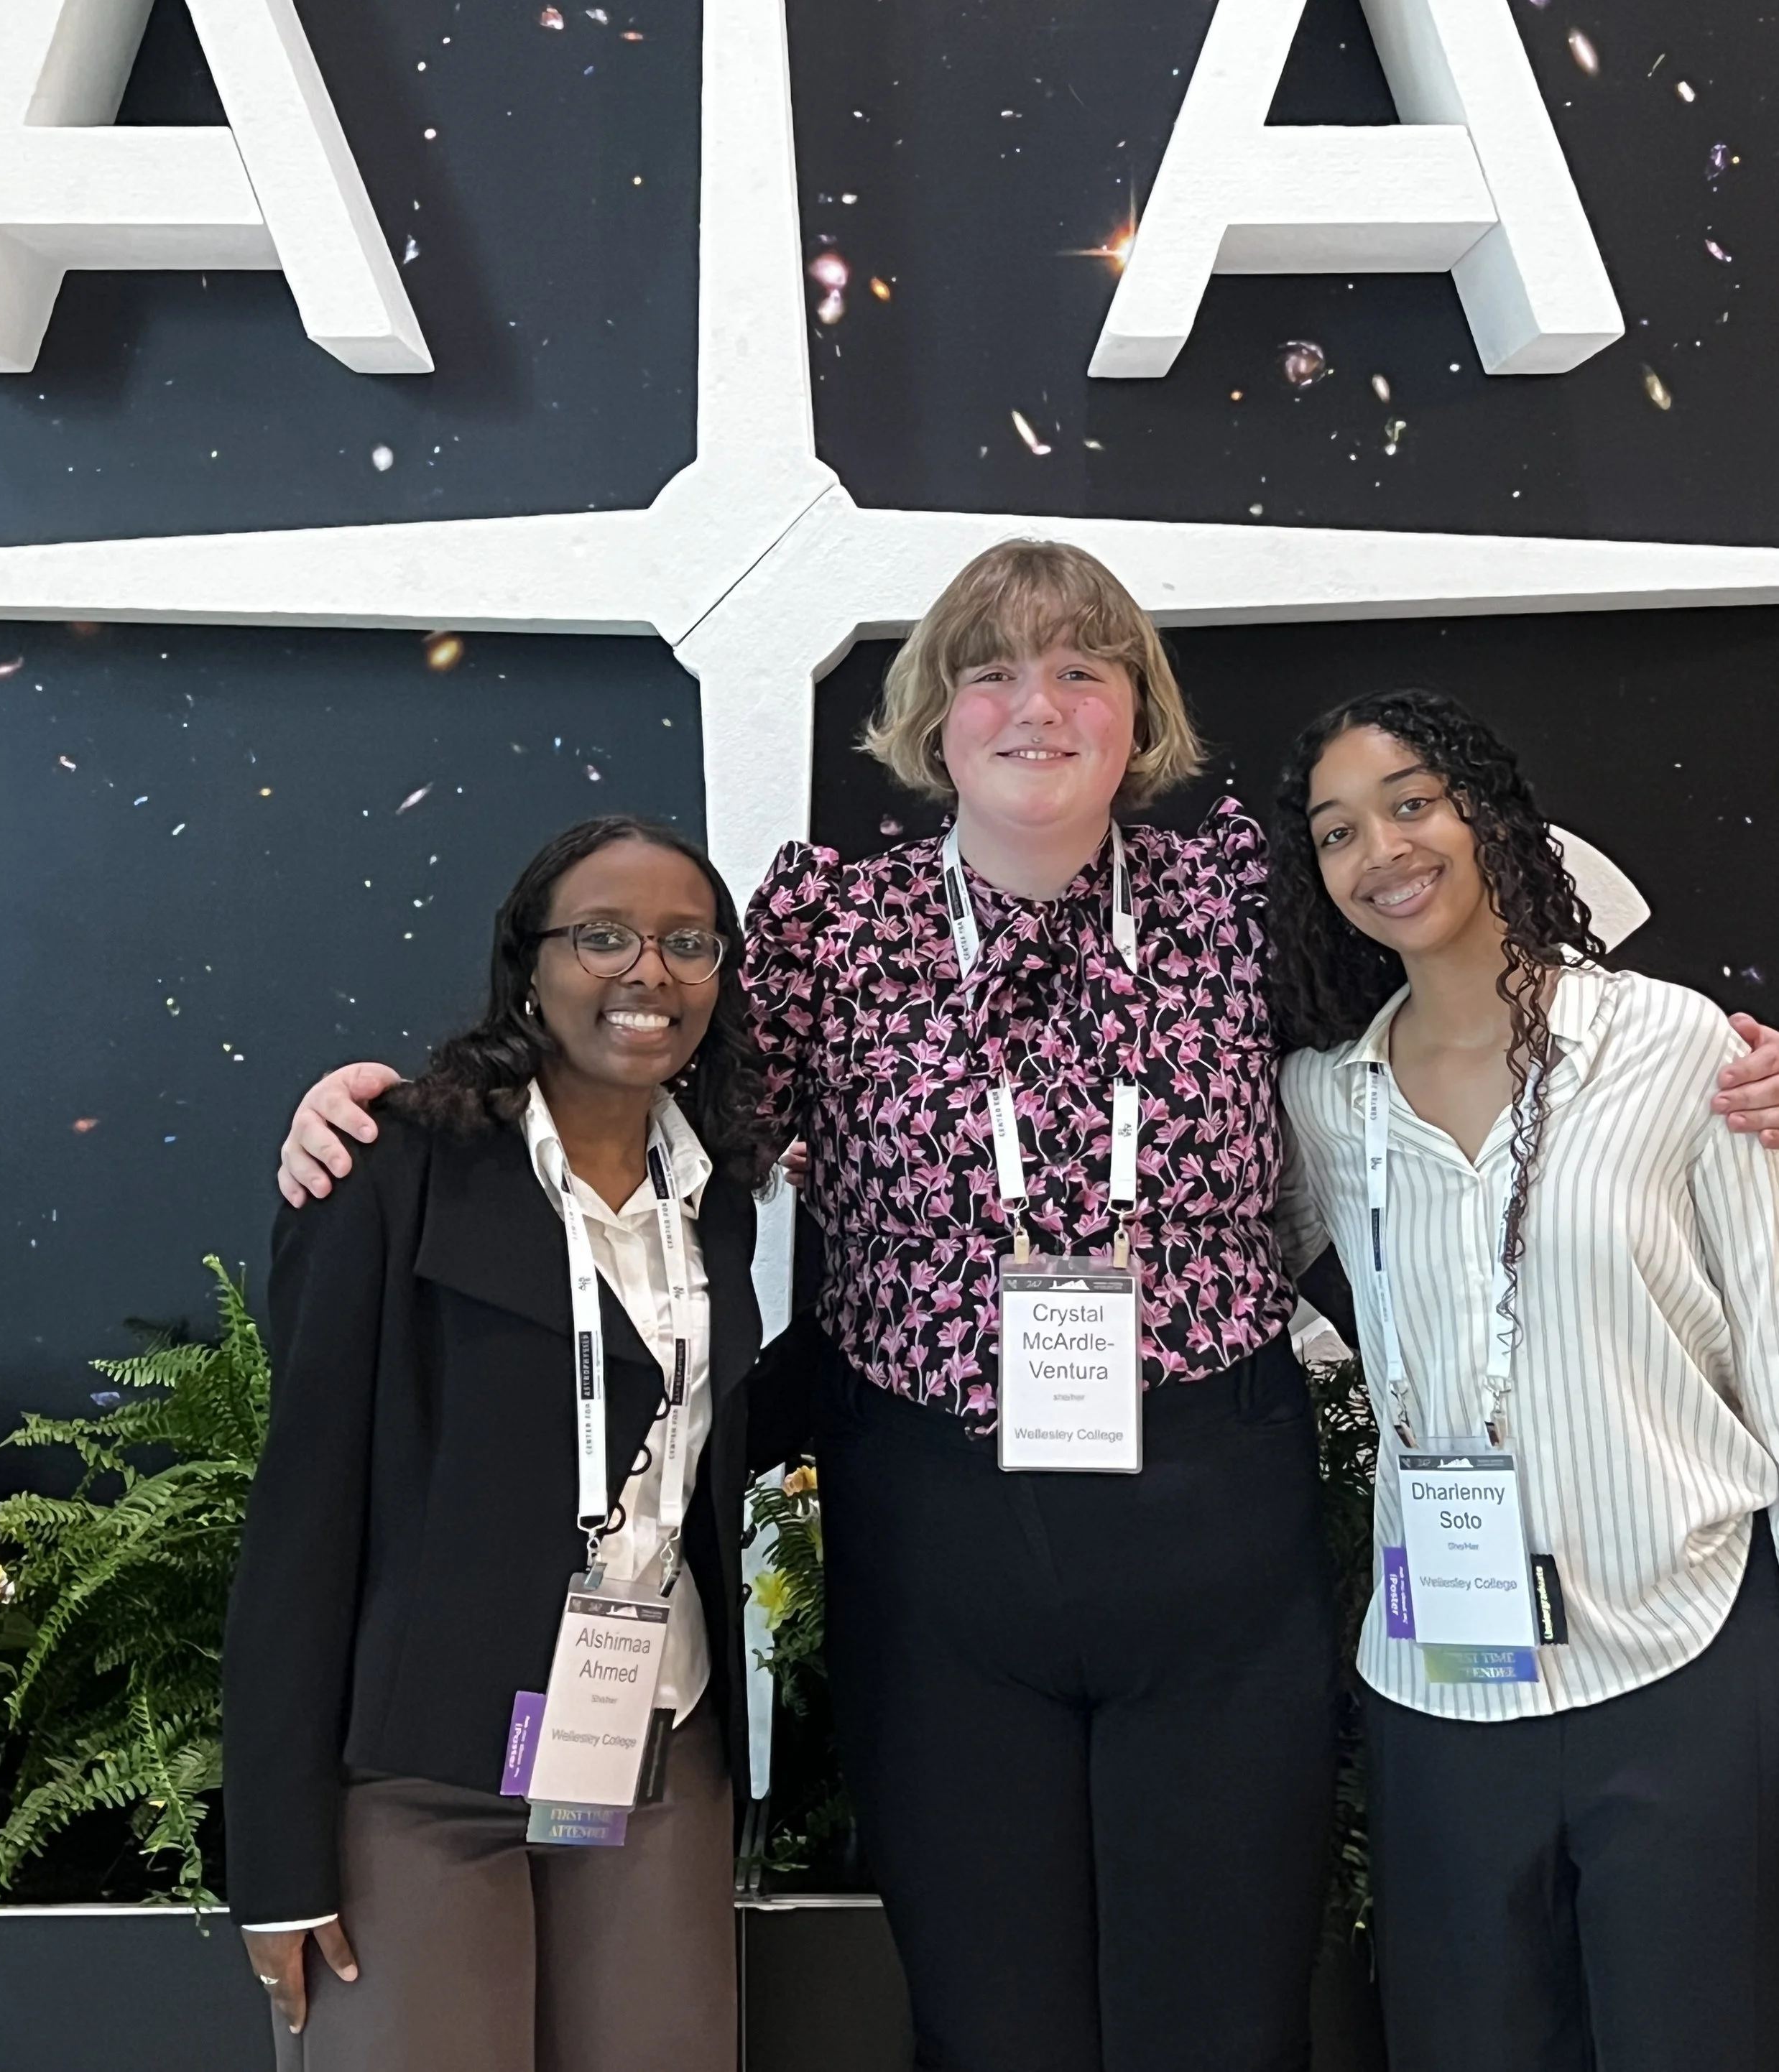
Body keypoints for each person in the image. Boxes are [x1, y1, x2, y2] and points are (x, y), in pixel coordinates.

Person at [275, 542, 1779, 2072]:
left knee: (1224, 2019)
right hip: (937, 1545)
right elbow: (634, 1097)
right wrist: (401, 1116)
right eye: (990, 672)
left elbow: (1480, 929)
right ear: (935, 718)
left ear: (1139, 715)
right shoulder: (830, 928)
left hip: (1213, 1535)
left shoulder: (1240, 894)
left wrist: (1720, 1066)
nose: (1037, 705)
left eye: (1080, 669)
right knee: (991, 2021)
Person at [224, 815, 792, 2072]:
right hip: (421, 1771)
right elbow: (304, 1514)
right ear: (528, 963)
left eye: (688, 943)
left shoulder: (715, 1199)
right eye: (603, 936)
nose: (648, 972)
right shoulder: (395, 1165)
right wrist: (275, 1859)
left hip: (650, 1743)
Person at [1270, 690, 1779, 2072]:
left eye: (1413, 803)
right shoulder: (1323, 1102)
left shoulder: (1678, 1047)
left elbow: (1773, 1341)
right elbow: (1209, 1258)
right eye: (1337, 831)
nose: (1383, 850)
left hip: (1681, 1645)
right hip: (1443, 1675)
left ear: (1489, 812)